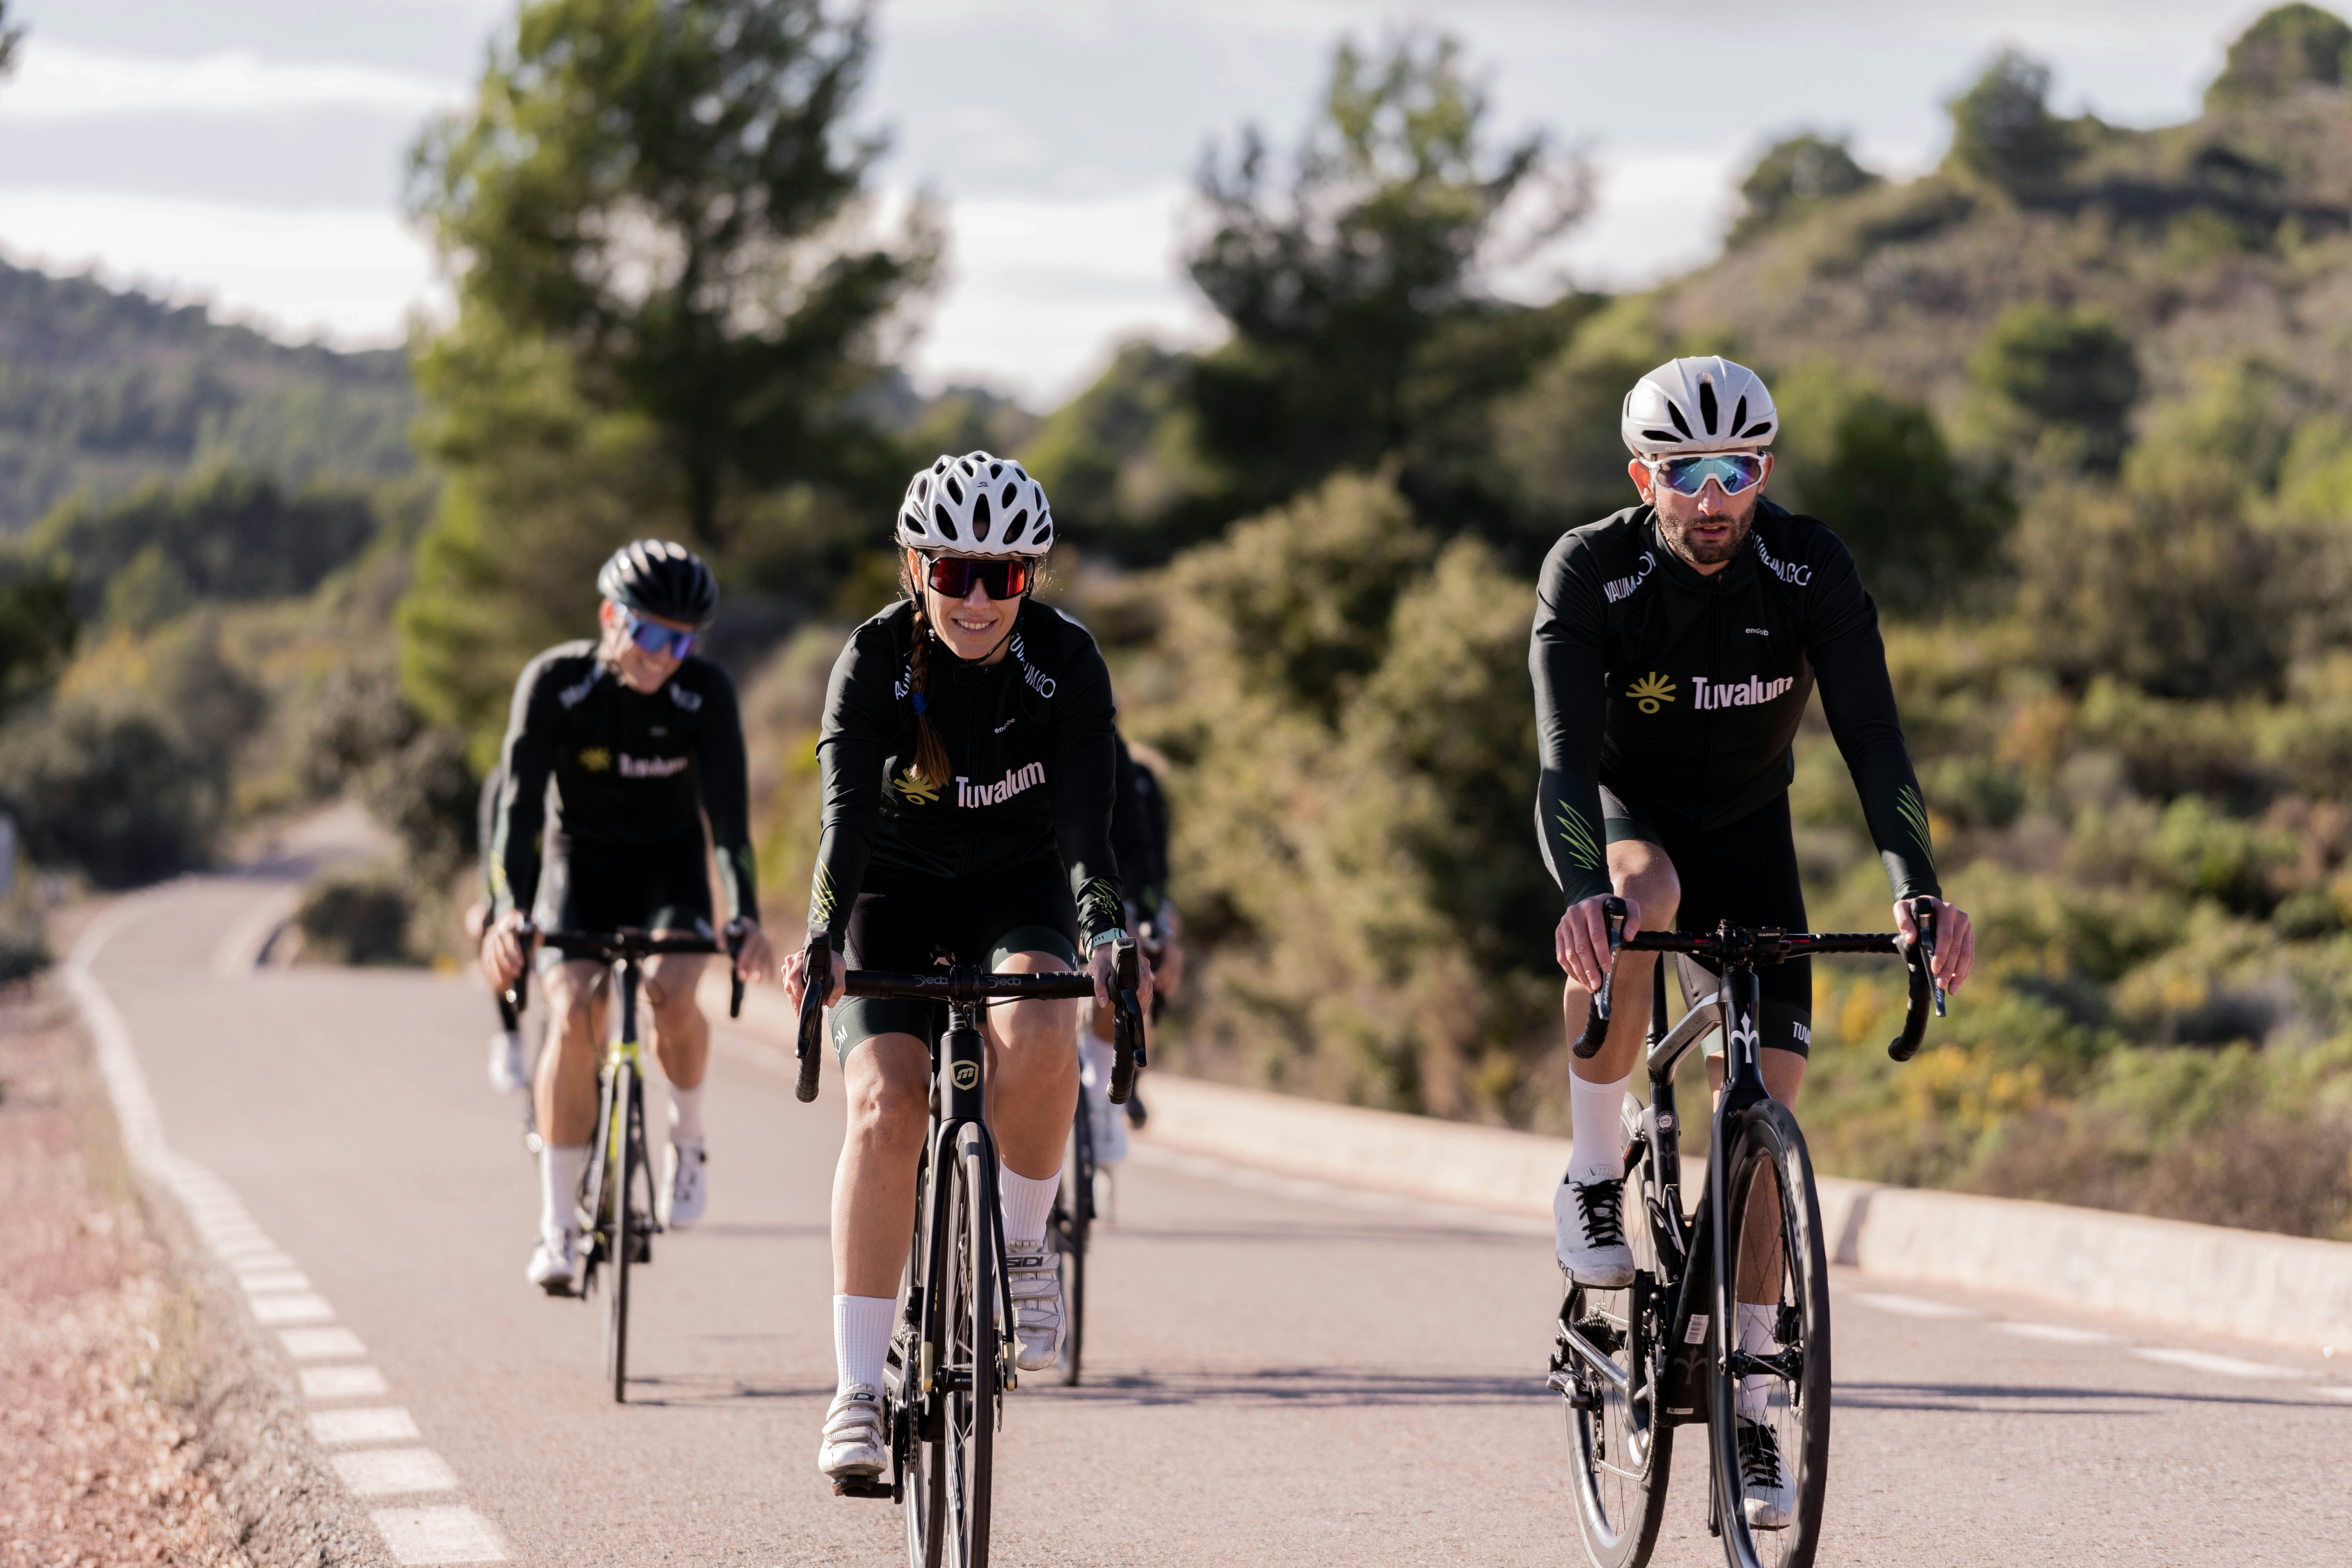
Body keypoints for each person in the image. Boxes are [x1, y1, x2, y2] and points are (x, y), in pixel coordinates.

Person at [1530, 356, 1976, 1528]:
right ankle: (1588, 1171)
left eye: (1737, 471)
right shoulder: (1593, 569)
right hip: (1633, 825)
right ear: (1645, 476)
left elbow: (1873, 740)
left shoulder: (1806, 565)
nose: (1714, 497)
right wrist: (1583, 889)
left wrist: (1914, 888)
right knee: (1645, 893)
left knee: (1769, 1093)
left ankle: (1747, 1394)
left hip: (1750, 831)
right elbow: (1562, 759)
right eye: (1686, 474)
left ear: (1762, 470)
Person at [780, 451, 1150, 1485]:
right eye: (954, 573)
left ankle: (1024, 1251)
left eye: (1006, 576)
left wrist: (1110, 935)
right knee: (886, 1112)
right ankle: (856, 1392)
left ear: (1031, 578)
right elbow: (846, 820)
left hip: (1017, 886)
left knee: (1040, 1022)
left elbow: (1088, 829)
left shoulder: (1067, 665)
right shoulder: (870, 663)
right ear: (915, 568)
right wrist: (819, 934)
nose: (979, 599)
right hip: (891, 894)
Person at [480, 541, 774, 1295]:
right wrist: (509, 912)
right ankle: (556, 1229)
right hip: (579, 862)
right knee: (574, 1011)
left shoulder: (705, 694)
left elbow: (732, 823)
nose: (665, 656)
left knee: (674, 996)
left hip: (669, 866)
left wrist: (742, 915)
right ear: (611, 618)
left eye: (683, 640)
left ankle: (690, 1136)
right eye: (650, 634)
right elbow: (515, 816)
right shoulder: (556, 683)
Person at [1079, 733, 1181, 1163]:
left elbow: (1147, 854)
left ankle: (1117, 1086)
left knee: (1137, 958)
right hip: (1049, 883)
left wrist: (1157, 919)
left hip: (1114, 889)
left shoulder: (1138, 775)